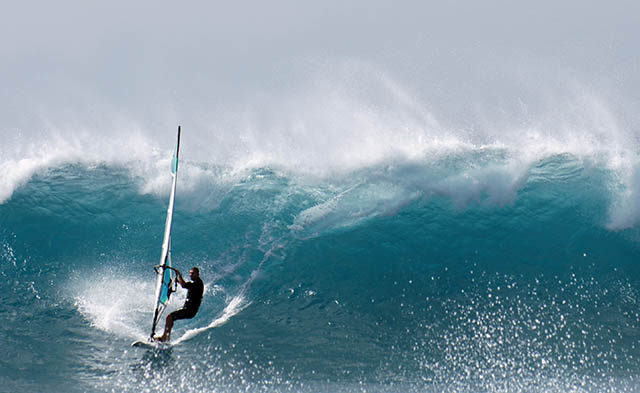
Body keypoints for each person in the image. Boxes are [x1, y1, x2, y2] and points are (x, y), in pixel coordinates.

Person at [155, 267, 204, 342]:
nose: (191, 275)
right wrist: (178, 280)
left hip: (189, 311)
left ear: (198, 274)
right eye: (190, 273)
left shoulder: (198, 284)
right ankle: (166, 338)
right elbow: (185, 284)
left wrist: (179, 276)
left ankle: (165, 338)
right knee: (171, 318)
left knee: (169, 317)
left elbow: (184, 285)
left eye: (193, 273)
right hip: (188, 310)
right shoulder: (196, 283)